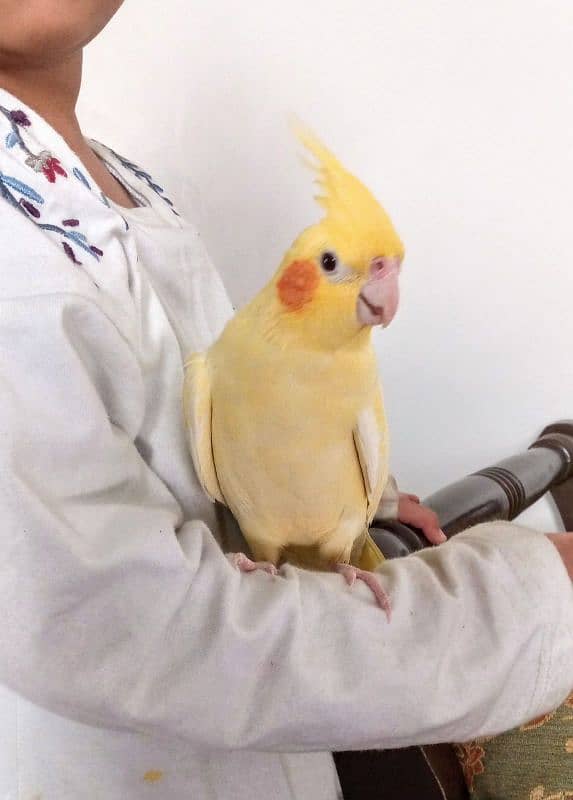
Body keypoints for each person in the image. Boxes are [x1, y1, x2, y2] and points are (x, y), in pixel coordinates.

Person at [0, 2, 572, 798]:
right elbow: (134, 632)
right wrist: (536, 595)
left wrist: (359, 495)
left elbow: (195, 463)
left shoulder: (120, 187)